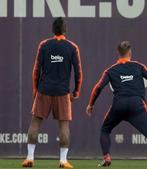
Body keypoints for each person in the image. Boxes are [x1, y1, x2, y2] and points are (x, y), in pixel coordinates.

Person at [86, 41, 147, 168]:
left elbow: (98, 88)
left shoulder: (110, 70)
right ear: (130, 53)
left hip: (119, 105)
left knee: (105, 130)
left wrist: (91, 104)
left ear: (118, 53)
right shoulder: (138, 66)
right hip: (136, 105)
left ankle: (107, 157)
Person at [22, 17, 83, 169]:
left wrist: (36, 91)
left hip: (44, 90)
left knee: (35, 123)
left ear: (52, 30)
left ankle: (30, 158)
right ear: (65, 30)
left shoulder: (44, 45)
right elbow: (78, 73)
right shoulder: (72, 47)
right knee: (64, 127)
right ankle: (63, 161)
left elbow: (36, 71)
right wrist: (76, 92)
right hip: (62, 93)